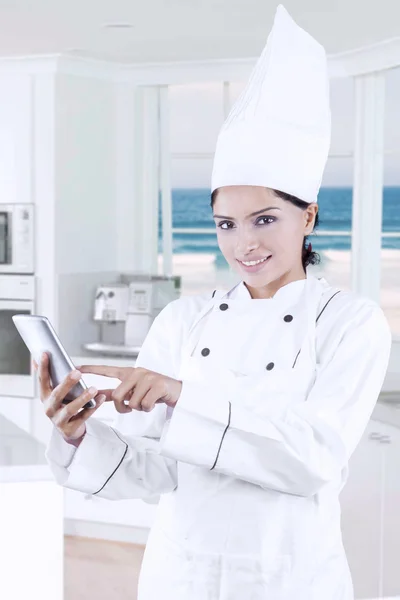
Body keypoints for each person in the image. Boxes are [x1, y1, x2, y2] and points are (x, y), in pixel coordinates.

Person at [39, 6, 392, 600]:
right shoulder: (184, 319)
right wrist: (77, 436)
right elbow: (154, 469)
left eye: (265, 219)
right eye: (226, 224)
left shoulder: (350, 323)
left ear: (307, 216)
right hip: (182, 572)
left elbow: (310, 461)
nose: (244, 244)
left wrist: (182, 395)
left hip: (289, 577)